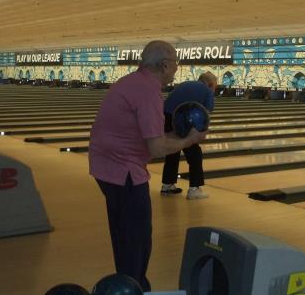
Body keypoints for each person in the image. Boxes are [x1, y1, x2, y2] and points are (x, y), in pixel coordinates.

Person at [88, 40, 207, 292]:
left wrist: (176, 135)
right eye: (176, 63)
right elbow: (156, 148)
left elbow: (154, 138)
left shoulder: (133, 82)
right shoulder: (148, 91)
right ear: (164, 65)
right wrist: (188, 139)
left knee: (125, 235)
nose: (177, 68)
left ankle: (132, 283)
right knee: (137, 240)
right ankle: (133, 284)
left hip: (107, 167)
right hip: (124, 171)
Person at [161, 72, 217, 200]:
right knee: (195, 154)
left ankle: (167, 185)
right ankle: (194, 189)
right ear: (210, 84)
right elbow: (207, 111)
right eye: (215, 87)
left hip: (166, 117)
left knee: (173, 151)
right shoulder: (207, 91)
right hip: (181, 120)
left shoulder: (186, 84)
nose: (214, 90)